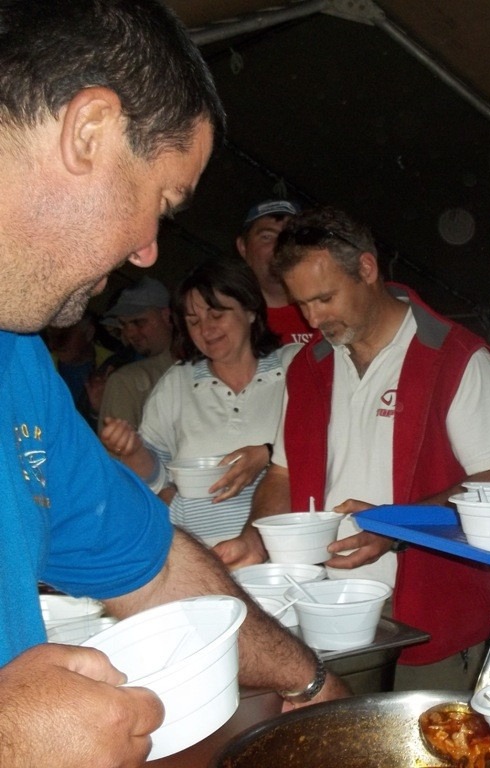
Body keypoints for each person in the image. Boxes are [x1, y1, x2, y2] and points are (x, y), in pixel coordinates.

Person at [0, 2, 348, 765]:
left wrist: (310, 681)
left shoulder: (20, 362)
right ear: (89, 131)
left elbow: (151, 566)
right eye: (159, 200)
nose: (149, 252)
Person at [215, 205, 490, 690]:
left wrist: (396, 525)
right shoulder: (309, 367)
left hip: (432, 613)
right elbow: (283, 474)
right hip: (325, 610)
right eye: (302, 304)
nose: (313, 318)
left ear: (366, 269)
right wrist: (259, 538)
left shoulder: (453, 357)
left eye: (324, 298)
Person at [101, 257, 298, 546]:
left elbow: (327, 445)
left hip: (280, 554)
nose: (206, 330)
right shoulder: (177, 382)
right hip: (202, 556)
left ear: (251, 310)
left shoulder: (293, 366)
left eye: (216, 315)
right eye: (193, 321)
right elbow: (156, 478)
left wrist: (268, 454)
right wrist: (131, 451)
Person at [98, 276, 177, 429]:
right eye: (123, 325)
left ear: (166, 316)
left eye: (138, 322)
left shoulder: (202, 362)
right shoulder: (118, 369)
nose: (130, 332)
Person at [236, 199, 315, 345]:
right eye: (267, 237)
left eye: (288, 237)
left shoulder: (326, 311)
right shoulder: (227, 320)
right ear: (243, 248)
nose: (279, 247)